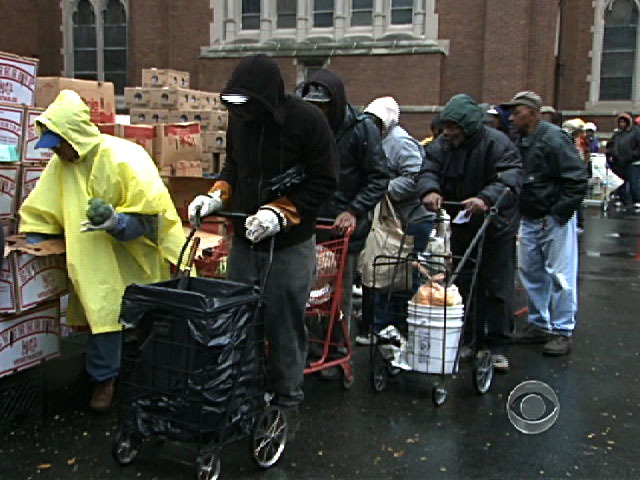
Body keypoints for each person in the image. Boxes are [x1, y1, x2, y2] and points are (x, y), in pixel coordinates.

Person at [188, 55, 339, 425]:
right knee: (239, 317)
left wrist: (281, 213)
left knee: (283, 321)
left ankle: (286, 400)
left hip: (288, 245)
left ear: (268, 99)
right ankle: (245, 389)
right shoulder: (240, 119)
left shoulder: (308, 122)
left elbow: (324, 180)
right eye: (236, 105)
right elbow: (234, 167)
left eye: (249, 104)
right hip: (244, 239)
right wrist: (217, 196)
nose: (243, 112)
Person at [19, 90, 187, 411]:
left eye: (58, 143)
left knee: (147, 316)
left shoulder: (126, 156)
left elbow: (152, 217)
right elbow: (42, 207)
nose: (56, 151)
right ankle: (104, 381)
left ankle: (150, 376)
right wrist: (31, 240)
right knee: (104, 313)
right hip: (94, 257)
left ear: (74, 136)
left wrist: (116, 222)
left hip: (137, 252)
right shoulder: (62, 165)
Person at [418, 93, 523, 372]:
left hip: (495, 224)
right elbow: (428, 169)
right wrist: (430, 189)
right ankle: (469, 339)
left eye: (453, 128)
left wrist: (486, 198)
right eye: (446, 127)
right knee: (465, 282)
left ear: (468, 127)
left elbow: (509, 178)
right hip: (463, 223)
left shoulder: (498, 144)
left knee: (497, 285)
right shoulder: (442, 146)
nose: (447, 133)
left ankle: (498, 345)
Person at [299, 70, 389, 378]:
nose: (318, 113)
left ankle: (337, 350)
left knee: (336, 294)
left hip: (343, 227)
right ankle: (314, 348)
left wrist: (354, 210)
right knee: (311, 292)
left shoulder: (362, 130)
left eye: (323, 107)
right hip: (313, 222)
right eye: (313, 107)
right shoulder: (308, 129)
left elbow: (378, 177)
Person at [503, 91, 588, 356]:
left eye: (518, 111)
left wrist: (558, 214)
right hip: (530, 216)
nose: (513, 116)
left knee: (560, 275)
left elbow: (576, 178)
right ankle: (539, 324)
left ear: (534, 112)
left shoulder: (553, 138)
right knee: (530, 272)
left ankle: (562, 330)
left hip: (552, 217)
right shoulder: (522, 139)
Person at [354, 96, 435, 345]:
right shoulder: (374, 141)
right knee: (386, 273)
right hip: (388, 221)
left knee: (404, 276)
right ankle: (384, 327)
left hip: (409, 220)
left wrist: (382, 188)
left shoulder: (400, 143)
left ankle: (402, 325)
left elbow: (417, 177)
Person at [607, 112, 640, 208]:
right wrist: (610, 153)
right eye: (620, 122)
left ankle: (637, 200)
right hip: (619, 162)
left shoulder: (636, 132)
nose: (622, 124)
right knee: (621, 182)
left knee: (634, 183)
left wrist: (633, 155)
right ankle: (623, 199)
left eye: (624, 122)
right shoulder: (617, 134)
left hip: (632, 162)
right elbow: (612, 145)